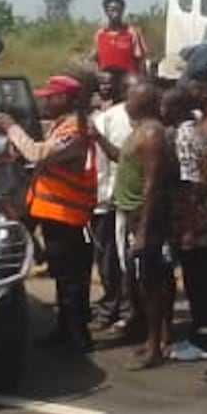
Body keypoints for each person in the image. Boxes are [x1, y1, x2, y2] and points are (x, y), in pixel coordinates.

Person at [0, 74, 95, 353]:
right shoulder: (63, 125)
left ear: (66, 98)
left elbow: (38, 153)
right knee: (62, 277)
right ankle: (65, 331)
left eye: (51, 96)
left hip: (68, 216)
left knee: (71, 280)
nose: (45, 101)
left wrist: (12, 128)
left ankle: (77, 336)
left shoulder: (74, 129)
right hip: (55, 213)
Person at [113, 81, 177, 367]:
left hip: (146, 216)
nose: (125, 102)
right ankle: (158, 339)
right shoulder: (138, 131)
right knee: (146, 280)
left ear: (142, 102)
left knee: (150, 282)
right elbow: (124, 160)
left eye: (130, 97)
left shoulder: (151, 134)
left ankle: (154, 347)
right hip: (135, 214)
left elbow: (152, 185)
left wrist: (142, 230)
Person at [162, 87, 207, 361]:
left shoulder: (185, 136)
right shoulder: (197, 129)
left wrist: (187, 226)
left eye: (165, 106)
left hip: (194, 217)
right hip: (204, 213)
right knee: (202, 275)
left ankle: (203, 339)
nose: (161, 110)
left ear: (175, 109)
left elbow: (192, 184)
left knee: (197, 278)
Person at [90, 69, 132, 330]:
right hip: (115, 198)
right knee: (114, 257)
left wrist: (100, 198)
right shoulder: (107, 117)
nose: (105, 87)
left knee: (114, 257)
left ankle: (116, 307)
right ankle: (118, 306)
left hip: (112, 198)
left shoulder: (106, 119)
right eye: (101, 83)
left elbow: (104, 163)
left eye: (110, 83)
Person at [95, 0, 148, 76]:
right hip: (105, 79)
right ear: (106, 12)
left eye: (118, 10)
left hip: (127, 81)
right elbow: (95, 58)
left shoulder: (132, 33)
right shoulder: (100, 34)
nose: (116, 14)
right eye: (112, 10)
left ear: (123, 11)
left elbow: (140, 58)